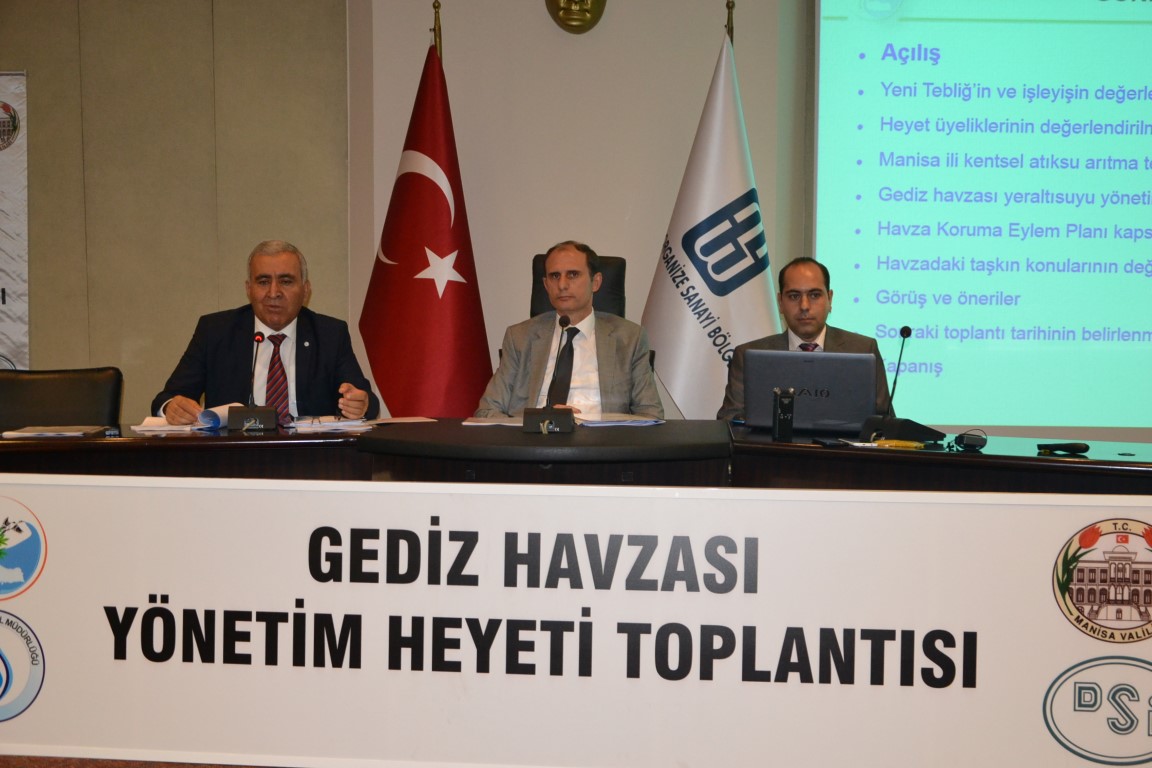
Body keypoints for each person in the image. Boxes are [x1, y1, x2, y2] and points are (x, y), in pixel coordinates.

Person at [152, 240, 380, 425]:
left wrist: (361, 404)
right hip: (233, 456)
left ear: (306, 290)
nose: (273, 292)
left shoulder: (330, 334)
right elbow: (165, 399)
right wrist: (172, 407)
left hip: (310, 456)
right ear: (248, 289)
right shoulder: (215, 331)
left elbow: (367, 400)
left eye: (286, 281)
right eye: (263, 281)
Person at [474, 241, 663, 419]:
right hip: (535, 440)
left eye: (572, 274)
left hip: (602, 440)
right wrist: (538, 422)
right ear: (546, 285)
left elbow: (651, 414)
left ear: (596, 282)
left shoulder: (630, 338)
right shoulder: (519, 337)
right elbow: (486, 411)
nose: (562, 285)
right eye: (555, 276)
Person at [717, 256, 890, 421]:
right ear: (780, 302)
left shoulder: (863, 350)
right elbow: (730, 420)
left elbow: (885, 422)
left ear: (830, 299)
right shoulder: (748, 356)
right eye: (794, 296)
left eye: (814, 295)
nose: (804, 306)